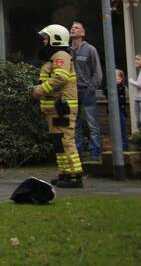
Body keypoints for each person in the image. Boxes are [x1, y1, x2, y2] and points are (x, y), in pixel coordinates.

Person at [31, 24, 83, 188]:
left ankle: (75, 176)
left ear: (56, 38)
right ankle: (65, 173)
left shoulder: (61, 55)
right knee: (58, 142)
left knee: (66, 141)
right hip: (54, 109)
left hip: (62, 108)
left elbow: (60, 78)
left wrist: (40, 89)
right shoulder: (54, 57)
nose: (44, 41)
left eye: (46, 38)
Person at [69, 22, 103, 161]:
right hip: (72, 92)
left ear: (82, 33)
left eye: (76, 27)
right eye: (71, 27)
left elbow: (97, 71)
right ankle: (78, 152)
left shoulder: (90, 50)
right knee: (74, 124)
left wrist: (91, 88)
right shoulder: (67, 51)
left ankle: (95, 153)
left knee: (92, 124)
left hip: (87, 92)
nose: (72, 29)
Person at [115, 69, 130, 151]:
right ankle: (118, 145)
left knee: (122, 128)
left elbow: (119, 95)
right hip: (114, 112)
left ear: (121, 79)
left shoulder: (122, 87)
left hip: (121, 111)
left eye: (116, 76)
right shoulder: (112, 87)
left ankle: (124, 145)